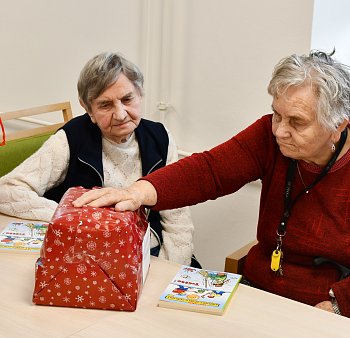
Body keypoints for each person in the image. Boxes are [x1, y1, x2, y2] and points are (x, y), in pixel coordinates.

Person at [72, 50, 350, 318]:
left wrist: (338, 306)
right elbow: (209, 171)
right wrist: (137, 192)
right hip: (260, 289)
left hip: (323, 304)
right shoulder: (270, 136)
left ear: (338, 126)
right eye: (277, 115)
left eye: (297, 122)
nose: (279, 130)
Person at [0, 52, 200, 267]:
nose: (121, 114)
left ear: (140, 94)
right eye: (105, 105)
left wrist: (168, 268)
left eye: (127, 99)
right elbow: (8, 190)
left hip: (150, 252)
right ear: (88, 109)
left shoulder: (160, 138)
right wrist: (76, 218)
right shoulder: (71, 138)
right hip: (88, 256)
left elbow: (177, 218)